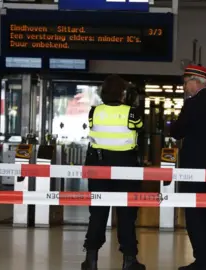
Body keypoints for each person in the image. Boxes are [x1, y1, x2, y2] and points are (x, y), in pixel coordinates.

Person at [81, 75, 146, 270]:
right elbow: (139, 130)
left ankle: (91, 259)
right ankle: (129, 260)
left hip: (99, 168)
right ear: (123, 93)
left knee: (98, 214)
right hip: (126, 169)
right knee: (126, 214)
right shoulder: (132, 114)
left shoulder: (94, 112)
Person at [170, 65, 206, 270]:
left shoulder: (192, 104)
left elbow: (177, 132)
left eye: (186, 82)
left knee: (195, 215)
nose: (185, 87)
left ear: (195, 81)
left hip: (193, 166)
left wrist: (171, 124)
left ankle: (202, 261)